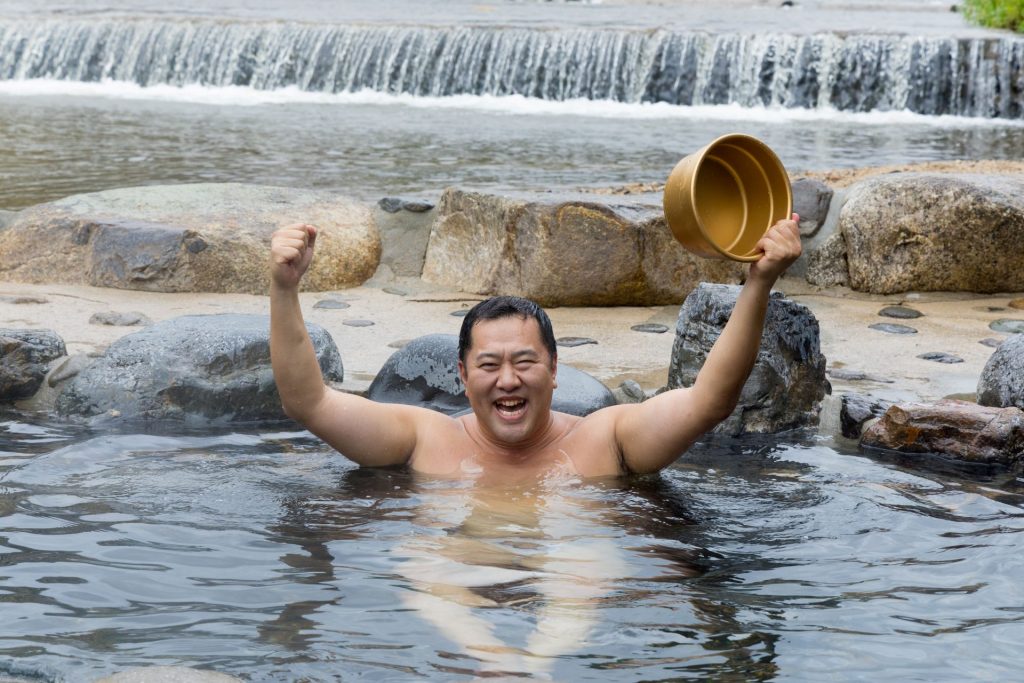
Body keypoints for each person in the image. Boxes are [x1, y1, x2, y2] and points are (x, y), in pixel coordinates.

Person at [269, 215, 801, 480]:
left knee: (583, 569)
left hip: (577, 579)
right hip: (454, 589)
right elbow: (308, 403)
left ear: (553, 371)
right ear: (461, 374)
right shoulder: (423, 440)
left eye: (525, 362)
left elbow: (710, 401)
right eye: (489, 365)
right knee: (429, 568)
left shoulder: (606, 440)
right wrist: (285, 287)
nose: (508, 380)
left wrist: (758, 286)